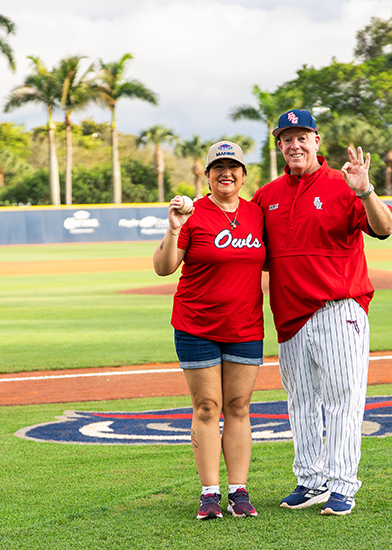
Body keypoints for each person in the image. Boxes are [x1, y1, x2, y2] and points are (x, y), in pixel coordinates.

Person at [252, 110, 392, 516]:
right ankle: (311, 480)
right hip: (289, 314)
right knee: (300, 402)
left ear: (317, 140)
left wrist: (366, 191)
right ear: (279, 146)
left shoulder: (343, 183)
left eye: (302, 137)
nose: (294, 145)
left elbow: (384, 229)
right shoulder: (268, 195)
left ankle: (343, 485)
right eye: (286, 139)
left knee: (342, 400)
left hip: (338, 309)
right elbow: (256, 253)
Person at [153, 140, 265, 520]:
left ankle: (239, 490)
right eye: (218, 167)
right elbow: (164, 267)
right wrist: (173, 228)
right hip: (196, 325)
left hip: (245, 324)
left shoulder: (257, 214)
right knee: (206, 407)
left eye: (233, 167)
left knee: (238, 407)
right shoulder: (193, 213)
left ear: (244, 175)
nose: (226, 173)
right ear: (207, 174)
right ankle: (209, 493)